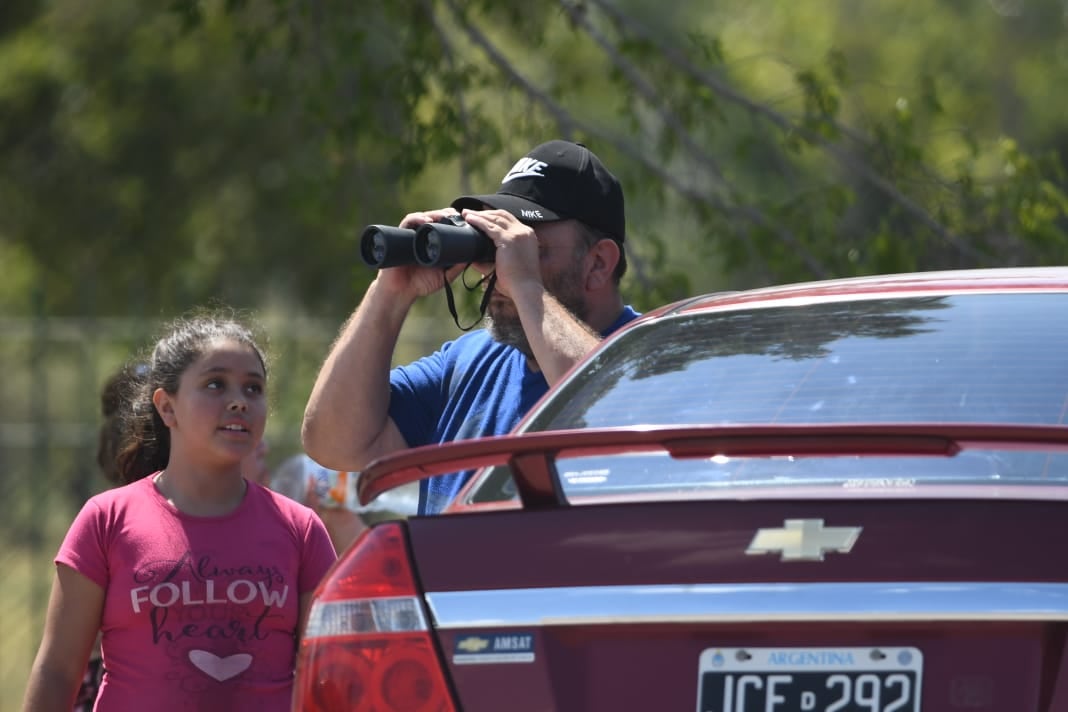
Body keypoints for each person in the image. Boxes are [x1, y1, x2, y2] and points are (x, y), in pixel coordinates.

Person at [302, 139, 640, 514]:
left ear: (598, 264)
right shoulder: (467, 364)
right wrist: (390, 293)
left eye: (525, 247)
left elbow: (613, 415)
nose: (500, 267)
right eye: (493, 246)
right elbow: (333, 443)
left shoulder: (653, 357)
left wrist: (526, 287)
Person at [22, 313, 337, 712]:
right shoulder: (105, 520)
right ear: (167, 408)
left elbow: (330, 674)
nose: (239, 400)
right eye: (215, 384)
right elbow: (58, 671)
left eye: (253, 388)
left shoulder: (301, 529)